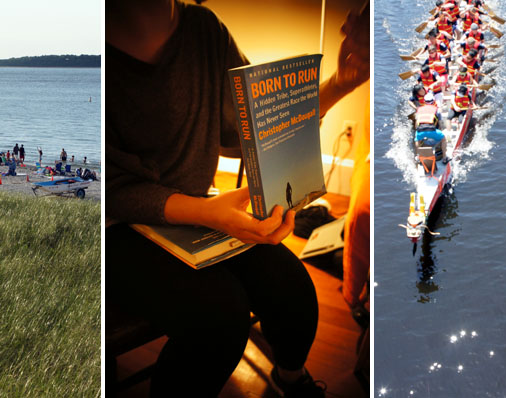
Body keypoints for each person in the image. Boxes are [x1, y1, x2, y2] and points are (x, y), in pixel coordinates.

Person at [105, 1, 368, 397]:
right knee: (219, 318)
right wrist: (205, 210)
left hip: (193, 212)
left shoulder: (203, 30)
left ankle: (291, 382)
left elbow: (259, 129)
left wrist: (340, 83)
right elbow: (93, 184)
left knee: (291, 285)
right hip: (106, 228)